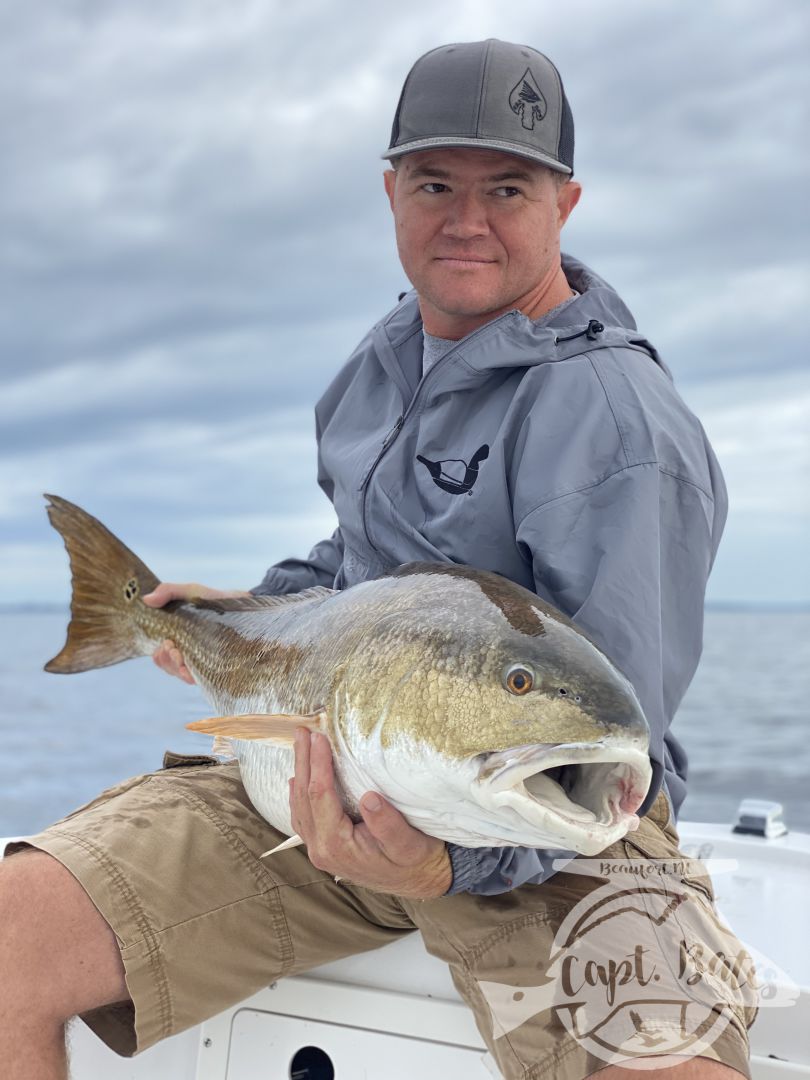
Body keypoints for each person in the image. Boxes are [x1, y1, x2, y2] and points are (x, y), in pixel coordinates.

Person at [0, 39, 755, 1079]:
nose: (468, 219)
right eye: (437, 182)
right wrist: (246, 611)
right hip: (330, 783)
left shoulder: (616, 426)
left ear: (565, 205)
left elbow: (607, 748)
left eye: (509, 187)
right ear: (391, 189)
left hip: (543, 828)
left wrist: (449, 860)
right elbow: (360, 567)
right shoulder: (382, 361)